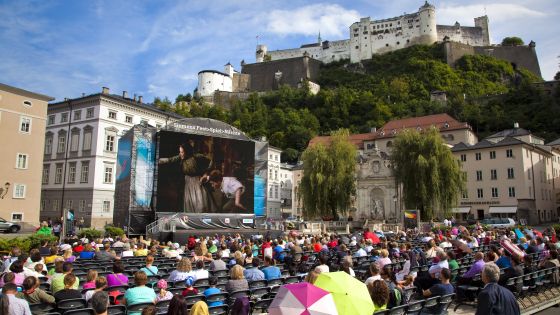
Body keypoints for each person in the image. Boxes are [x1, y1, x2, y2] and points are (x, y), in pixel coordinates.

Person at [159, 143, 213, 213]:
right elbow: (170, 159)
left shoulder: (196, 156)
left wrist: (205, 174)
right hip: (188, 182)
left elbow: (210, 161)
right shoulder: (180, 157)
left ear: (187, 151)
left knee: (200, 205)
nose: (180, 154)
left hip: (197, 181)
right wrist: (158, 160)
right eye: (180, 152)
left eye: (182, 152)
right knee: (189, 205)